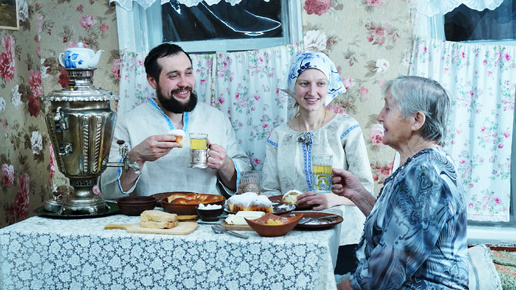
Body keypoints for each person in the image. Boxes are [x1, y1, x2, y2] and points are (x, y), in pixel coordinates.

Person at [333, 76, 469, 289]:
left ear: (417, 120)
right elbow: (398, 230)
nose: (379, 116)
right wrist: (358, 194)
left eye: (388, 108)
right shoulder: (421, 164)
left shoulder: (427, 174)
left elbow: (389, 269)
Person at [260, 52, 374, 274]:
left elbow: (365, 188)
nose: (312, 92)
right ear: (293, 87)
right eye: (304, 84)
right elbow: (269, 191)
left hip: (346, 237)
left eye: (320, 83)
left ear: (329, 86)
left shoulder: (346, 128)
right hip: (294, 236)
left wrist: (330, 199)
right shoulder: (279, 136)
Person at [100, 43, 251, 199]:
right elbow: (108, 191)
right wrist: (136, 156)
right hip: (151, 219)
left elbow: (247, 185)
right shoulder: (127, 124)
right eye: (173, 75)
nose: (184, 83)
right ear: (152, 81)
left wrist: (224, 164)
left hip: (208, 216)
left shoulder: (217, 119)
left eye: (188, 73)